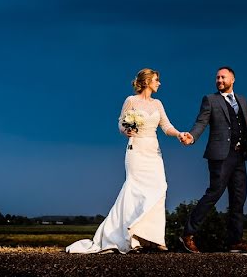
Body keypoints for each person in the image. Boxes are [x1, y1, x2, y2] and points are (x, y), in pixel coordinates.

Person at [66, 68, 189, 253]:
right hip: (136, 150)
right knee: (135, 190)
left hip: (153, 152)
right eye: (156, 80)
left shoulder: (158, 103)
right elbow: (120, 123)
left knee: (159, 188)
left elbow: (166, 126)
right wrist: (126, 130)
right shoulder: (131, 101)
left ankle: (154, 237)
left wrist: (179, 134)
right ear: (147, 81)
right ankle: (133, 238)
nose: (159, 83)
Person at [179, 66, 247, 253]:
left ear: (232, 79)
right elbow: (201, 122)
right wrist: (192, 136)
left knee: (238, 199)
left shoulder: (243, 101)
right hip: (220, 155)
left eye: (223, 77)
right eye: (217, 78)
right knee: (214, 193)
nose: (219, 80)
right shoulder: (211, 100)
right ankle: (188, 234)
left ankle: (235, 241)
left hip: (240, 156)